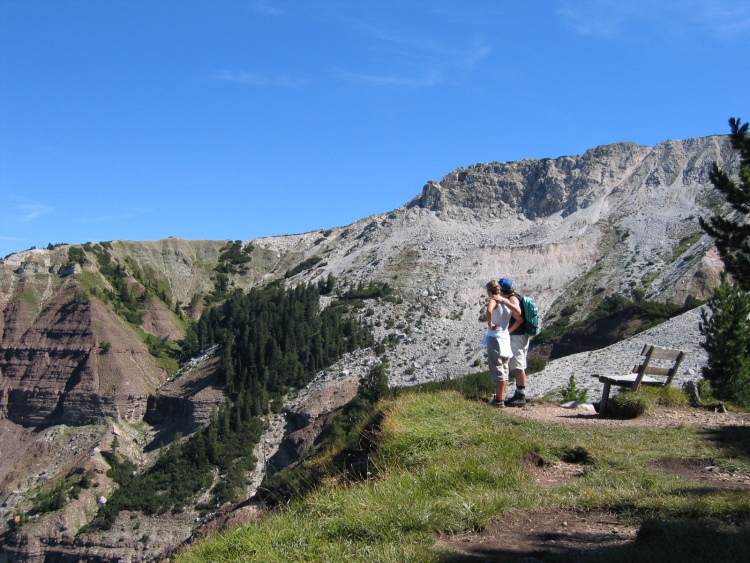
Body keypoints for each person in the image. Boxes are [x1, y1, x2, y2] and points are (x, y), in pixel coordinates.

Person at [484, 280, 522, 407]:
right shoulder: (507, 302)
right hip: (505, 338)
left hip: (495, 338)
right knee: (505, 368)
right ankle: (501, 397)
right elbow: (519, 316)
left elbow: (489, 311)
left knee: (497, 368)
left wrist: (490, 323)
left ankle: (499, 400)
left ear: (489, 291)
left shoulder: (493, 300)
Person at [498, 278, 530, 406]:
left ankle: (521, 396)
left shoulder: (512, 299)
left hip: (518, 336)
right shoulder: (514, 297)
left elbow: (519, 318)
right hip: (520, 335)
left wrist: (508, 331)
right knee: (518, 364)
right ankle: (518, 393)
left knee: (518, 365)